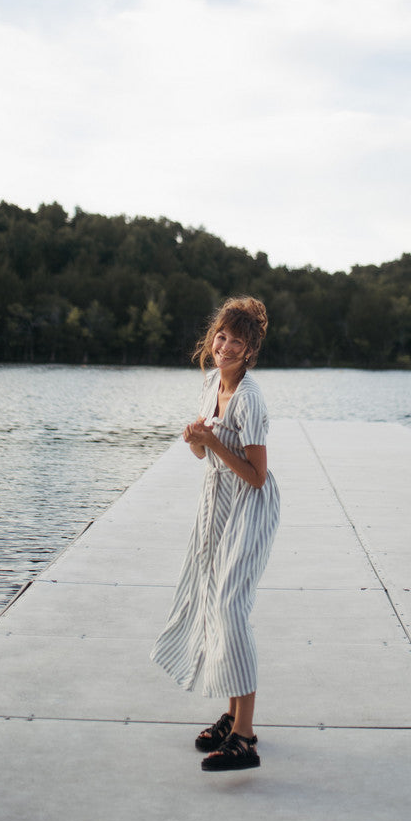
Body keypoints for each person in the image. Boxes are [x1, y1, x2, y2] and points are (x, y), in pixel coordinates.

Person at [150, 296, 280, 772]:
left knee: (230, 608)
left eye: (236, 342)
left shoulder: (249, 398)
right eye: (221, 336)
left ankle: (245, 737)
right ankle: (231, 716)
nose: (224, 346)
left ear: (249, 352)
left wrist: (213, 444)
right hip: (218, 507)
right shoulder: (211, 384)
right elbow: (205, 457)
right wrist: (195, 441)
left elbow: (257, 476)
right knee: (217, 604)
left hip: (249, 510)